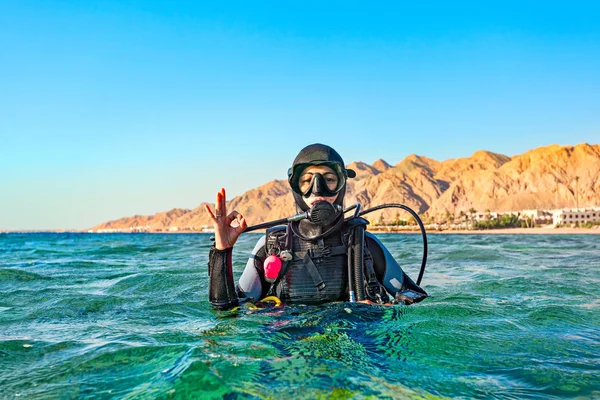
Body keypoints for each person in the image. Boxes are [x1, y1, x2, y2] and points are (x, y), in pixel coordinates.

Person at [206, 143, 427, 310]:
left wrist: (386, 308)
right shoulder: (272, 244)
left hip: (351, 355)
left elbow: (414, 297)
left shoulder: (363, 244)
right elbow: (227, 309)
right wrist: (222, 251)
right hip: (290, 352)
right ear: (295, 187)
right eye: (307, 180)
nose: (318, 189)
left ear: (342, 185)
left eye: (329, 180)